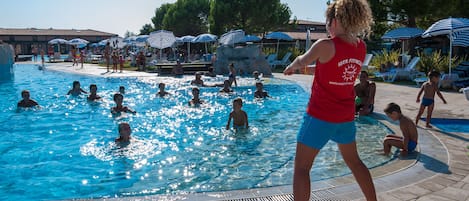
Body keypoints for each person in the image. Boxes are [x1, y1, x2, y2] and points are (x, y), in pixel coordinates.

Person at [282, 0, 376, 200]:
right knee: (355, 162)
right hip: (346, 117)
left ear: (334, 21)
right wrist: (317, 70)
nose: (326, 25)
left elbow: (302, 60)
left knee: (301, 168)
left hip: (320, 116)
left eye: (327, 21)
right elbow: (342, 70)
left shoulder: (325, 44)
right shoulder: (360, 46)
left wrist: (291, 66)